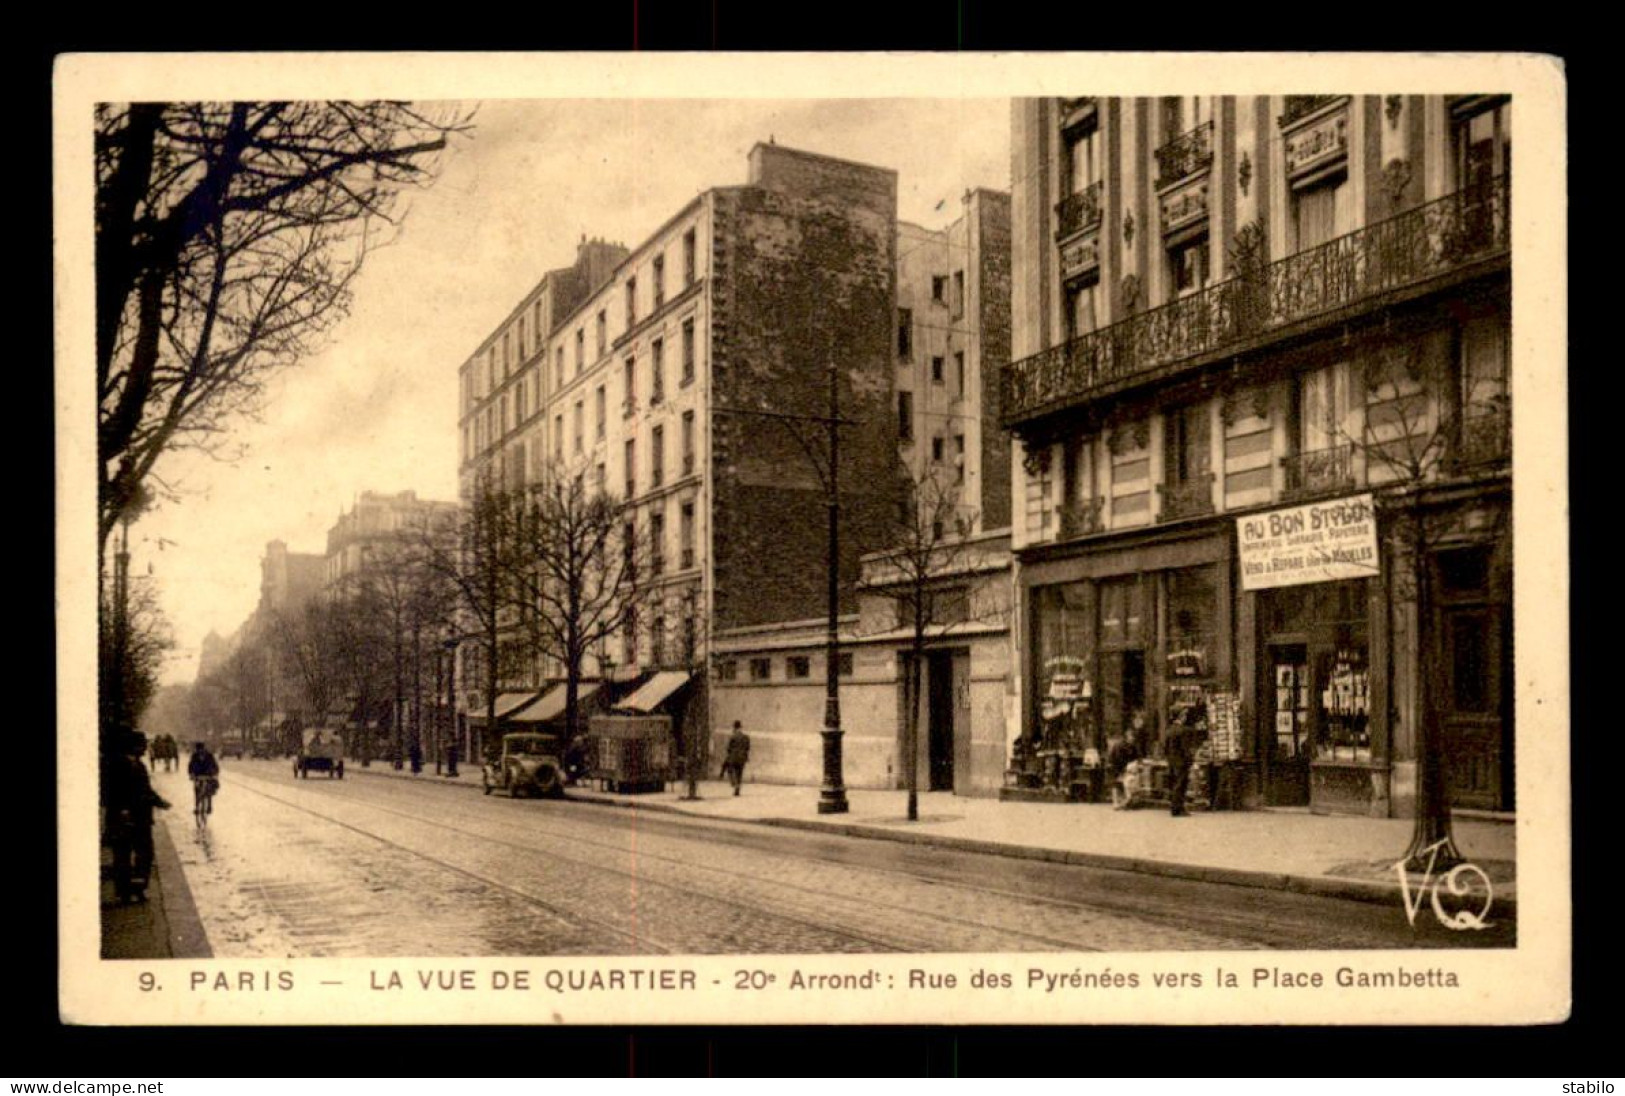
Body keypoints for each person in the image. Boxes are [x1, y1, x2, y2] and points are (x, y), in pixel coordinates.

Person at [107, 732, 170, 903]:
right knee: (125, 855)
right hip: (126, 819)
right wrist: (122, 809)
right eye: (141, 744)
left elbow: (146, 790)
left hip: (140, 818)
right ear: (134, 746)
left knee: (141, 854)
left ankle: (137, 888)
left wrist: (159, 802)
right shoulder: (119, 764)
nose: (144, 747)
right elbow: (113, 791)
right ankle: (126, 891)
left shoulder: (137, 765)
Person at [1166, 704, 1206, 818]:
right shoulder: (1182, 730)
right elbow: (1185, 749)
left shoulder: (1170, 730)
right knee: (1181, 785)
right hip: (1182, 762)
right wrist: (1191, 760)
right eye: (1184, 714)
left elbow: (1166, 748)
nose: (1185, 717)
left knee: (1175, 784)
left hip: (1172, 761)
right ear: (1180, 716)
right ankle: (1178, 808)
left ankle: (1175, 808)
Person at [1107, 713, 1145, 809]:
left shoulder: (1133, 746)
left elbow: (1137, 756)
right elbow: (1118, 759)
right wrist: (1124, 770)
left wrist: (1139, 763)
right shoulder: (1120, 745)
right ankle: (1116, 802)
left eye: (1133, 738)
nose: (1133, 739)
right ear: (1127, 737)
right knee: (1116, 782)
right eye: (1131, 737)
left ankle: (1127, 800)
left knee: (1130, 781)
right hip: (1116, 765)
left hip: (1127, 766)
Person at [188, 740, 220, 819]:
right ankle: (196, 807)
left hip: (208, 775)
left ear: (204, 749)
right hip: (197, 775)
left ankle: (209, 806)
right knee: (196, 790)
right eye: (198, 749)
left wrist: (214, 774)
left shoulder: (209, 755)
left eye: (201, 749)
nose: (200, 751)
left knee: (209, 790)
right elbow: (190, 765)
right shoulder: (194, 756)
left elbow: (215, 766)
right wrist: (191, 774)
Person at [721, 721, 751, 796]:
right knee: (739, 773)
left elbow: (728, 748)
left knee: (730, 770)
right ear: (740, 727)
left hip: (734, 757)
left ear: (734, 728)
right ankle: (737, 788)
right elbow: (748, 748)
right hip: (742, 758)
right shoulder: (746, 737)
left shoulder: (733, 737)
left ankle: (734, 784)